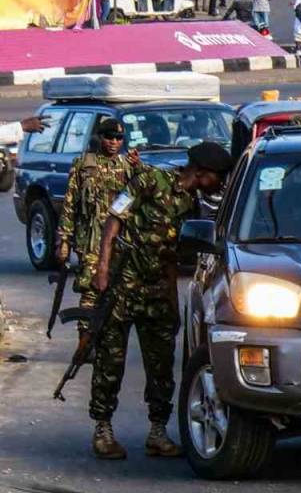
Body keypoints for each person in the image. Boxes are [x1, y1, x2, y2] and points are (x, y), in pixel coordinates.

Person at [88, 142, 234, 460]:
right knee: (110, 360)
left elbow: (172, 258)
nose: (219, 184)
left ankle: (157, 432)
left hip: (156, 292)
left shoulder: (191, 206)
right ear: (201, 172)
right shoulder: (149, 180)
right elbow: (113, 220)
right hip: (122, 286)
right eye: (217, 177)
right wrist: (101, 269)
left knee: (161, 365)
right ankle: (103, 430)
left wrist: (172, 300)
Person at [55, 119, 139, 357]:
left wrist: (139, 168)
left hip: (120, 242)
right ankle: (85, 343)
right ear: (99, 137)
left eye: (118, 139)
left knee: (117, 294)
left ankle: (108, 344)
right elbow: (70, 205)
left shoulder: (128, 165)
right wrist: (63, 241)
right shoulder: (83, 165)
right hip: (91, 240)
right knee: (91, 291)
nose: (114, 143)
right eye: (109, 137)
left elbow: (141, 198)